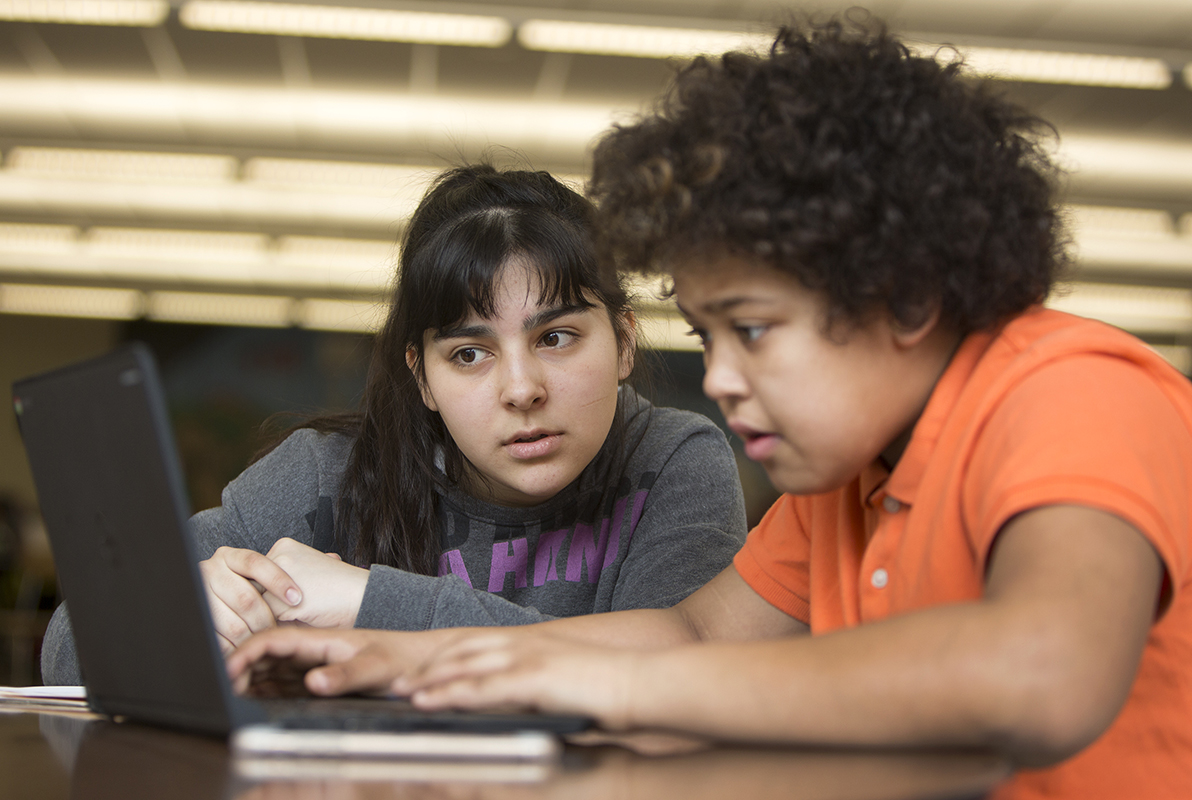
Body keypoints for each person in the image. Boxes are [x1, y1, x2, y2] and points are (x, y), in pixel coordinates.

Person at [225, 18, 1192, 799]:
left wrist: (614, 684)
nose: (721, 379)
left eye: (755, 329)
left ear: (903, 300)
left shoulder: (1070, 392)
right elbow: (691, 637)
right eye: (707, 334)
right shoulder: (847, 478)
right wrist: (408, 656)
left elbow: (1043, 677)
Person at [40, 164, 749, 685]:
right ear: (423, 378)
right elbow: (69, 641)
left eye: (556, 337)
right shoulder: (327, 474)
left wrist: (370, 601)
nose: (522, 388)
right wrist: (180, 617)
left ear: (624, 340)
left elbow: (686, 683)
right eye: (469, 354)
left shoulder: (672, 462)